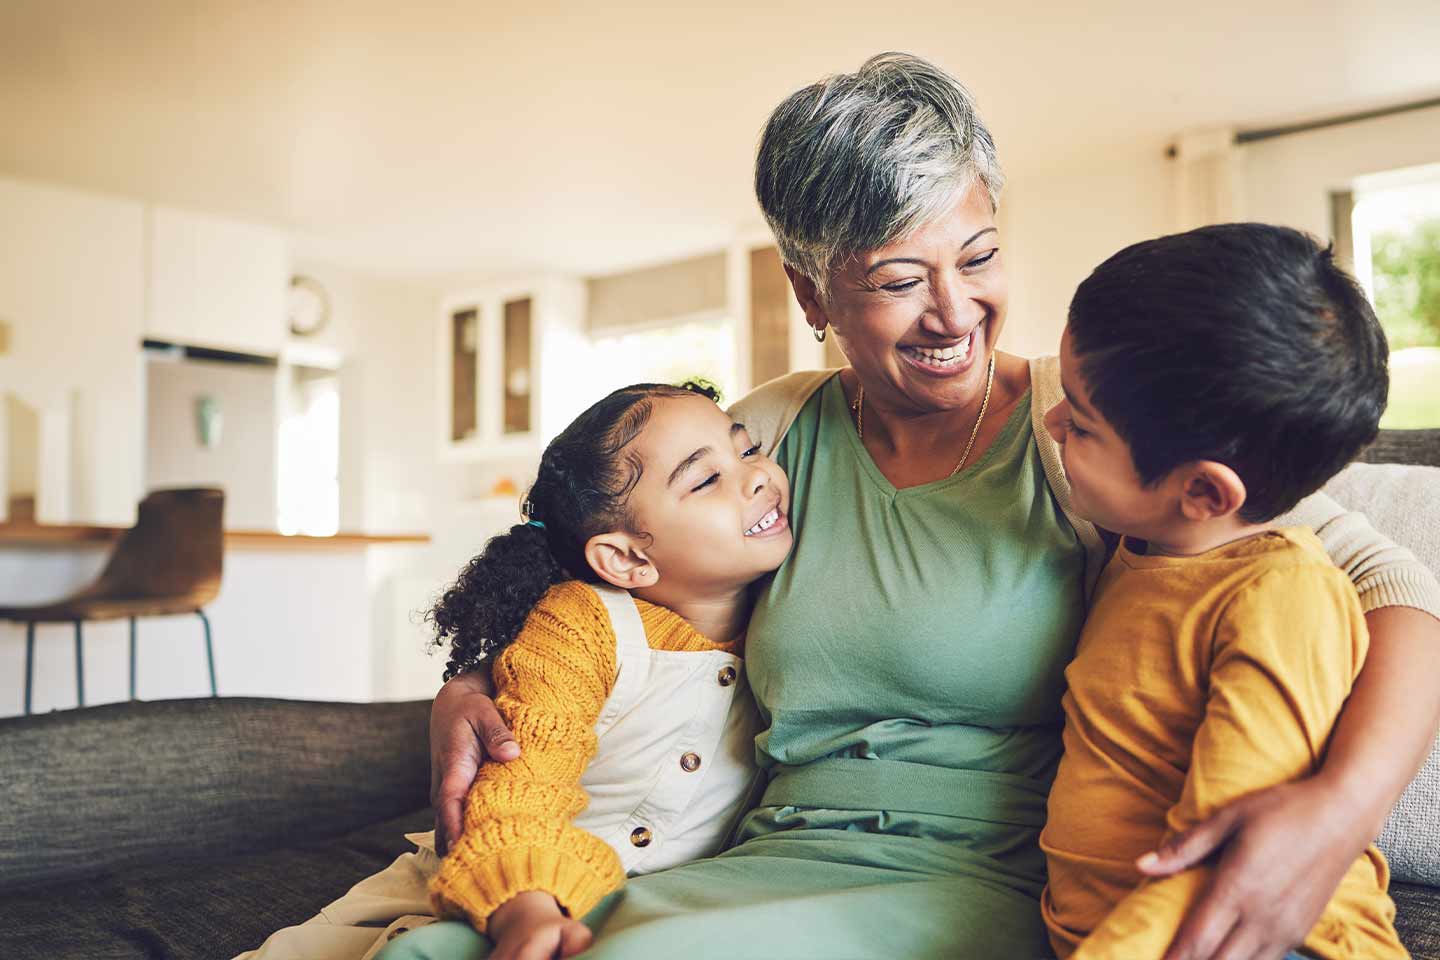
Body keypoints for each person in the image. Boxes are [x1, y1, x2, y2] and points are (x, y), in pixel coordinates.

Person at [390, 53, 1440, 960]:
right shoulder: (768, 437)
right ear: (813, 295)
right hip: (760, 857)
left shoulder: (1093, 437)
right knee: (439, 945)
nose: (954, 312)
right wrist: (476, 687)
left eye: (978, 258)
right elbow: (618, 576)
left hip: (969, 884)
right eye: (899, 280)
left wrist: (1336, 809)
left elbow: (1388, 583)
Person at [237, 380, 791, 960]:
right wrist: (525, 906)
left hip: (634, 916)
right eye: (706, 479)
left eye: (748, 449)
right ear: (626, 558)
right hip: (476, 895)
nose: (758, 476)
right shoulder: (581, 625)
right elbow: (520, 789)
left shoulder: (788, 618)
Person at [1038, 224, 1406, 959]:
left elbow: (1222, 859)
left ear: (1204, 492)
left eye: (1079, 424)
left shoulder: (1281, 598)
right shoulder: (1143, 551)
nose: (1049, 423)